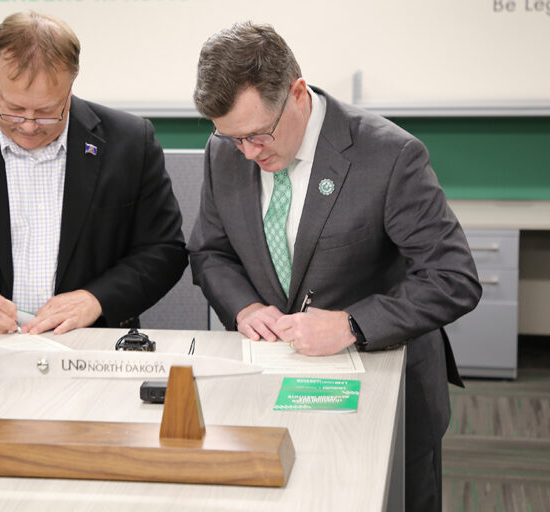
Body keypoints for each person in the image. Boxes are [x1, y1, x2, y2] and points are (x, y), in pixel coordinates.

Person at [189, 22, 481, 511]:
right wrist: (244, 308)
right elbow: (210, 252)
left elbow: (453, 278)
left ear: (298, 93)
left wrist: (351, 324)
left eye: (259, 136)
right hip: (273, 395)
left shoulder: (389, 155)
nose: (248, 153)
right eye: (233, 139)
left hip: (385, 397)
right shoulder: (225, 151)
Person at [0, 11, 187, 336]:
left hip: (91, 345)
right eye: (12, 109)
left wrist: (96, 299)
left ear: (72, 83)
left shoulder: (128, 143)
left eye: (46, 112)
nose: (28, 126)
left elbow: (163, 250)